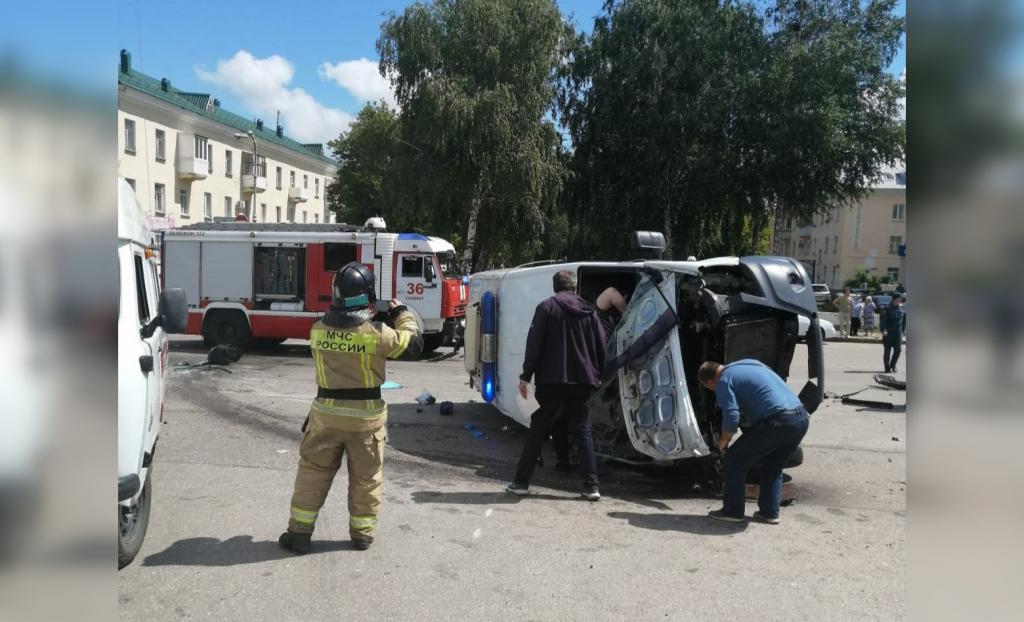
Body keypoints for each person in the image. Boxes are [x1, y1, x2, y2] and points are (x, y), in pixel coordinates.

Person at [278, 262, 423, 554]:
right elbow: (414, 344)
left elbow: (345, 330)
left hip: (325, 416)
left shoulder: (317, 330)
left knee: (312, 473)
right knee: (366, 478)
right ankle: (361, 534)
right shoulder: (379, 333)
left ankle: (299, 533)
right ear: (367, 296)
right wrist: (400, 313)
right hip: (365, 420)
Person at [507, 270, 607, 501]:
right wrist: (599, 373)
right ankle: (591, 486)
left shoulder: (546, 308)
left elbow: (534, 344)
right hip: (582, 380)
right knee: (583, 431)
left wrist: (525, 376)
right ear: (574, 288)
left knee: (538, 430)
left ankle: (521, 483)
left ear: (555, 288)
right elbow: (602, 345)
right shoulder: (589, 311)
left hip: (551, 380)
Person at [698, 360, 809, 524]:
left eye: (710, 389)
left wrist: (722, 444)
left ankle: (732, 511)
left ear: (710, 382)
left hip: (777, 421)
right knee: (774, 464)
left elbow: (731, 416)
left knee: (734, 460)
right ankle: (769, 513)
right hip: (800, 418)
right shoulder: (750, 364)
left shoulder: (723, 381)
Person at [550, 286, 627, 471]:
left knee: (576, 418)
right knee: (567, 417)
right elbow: (610, 292)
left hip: (596, 374)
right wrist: (628, 313)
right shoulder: (598, 312)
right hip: (584, 372)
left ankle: (571, 459)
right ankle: (568, 461)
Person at [880, 293, 906, 373]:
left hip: (898, 333)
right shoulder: (886, 308)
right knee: (887, 351)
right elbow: (883, 321)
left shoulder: (901, 308)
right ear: (895, 299)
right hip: (888, 333)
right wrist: (883, 330)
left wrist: (903, 330)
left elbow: (904, 320)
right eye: (899, 298)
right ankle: (887, 367)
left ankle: (893, 365)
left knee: (898, 350)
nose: (901, 300)